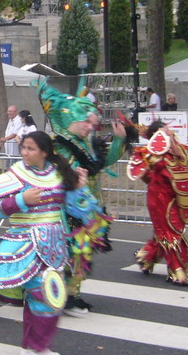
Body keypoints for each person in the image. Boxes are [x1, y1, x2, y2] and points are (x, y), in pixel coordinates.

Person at [0, 131, 94, 355]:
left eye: (31, 148)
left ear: (45, 152)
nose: (25, 152)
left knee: (38, 295)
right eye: (24, 147)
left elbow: (75, 209)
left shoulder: (58, 173)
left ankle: (30, 345)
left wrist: (79, 188)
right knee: (45, 295)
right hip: (26, 243)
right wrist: (22, 199)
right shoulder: (14, 175)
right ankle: (39, 348)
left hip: (56, 243)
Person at [37, 79, 125, 316]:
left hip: (88, 208)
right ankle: (62, 295)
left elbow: (101, 164)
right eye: (86, 122)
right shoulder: (58, 146)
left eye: (93, 123)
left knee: (82, 253)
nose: (90, 127)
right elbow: (48, 180)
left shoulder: (86, 144)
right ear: (71, 120)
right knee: (67, 253)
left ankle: (69, 294)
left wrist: (118, 140)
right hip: (66, 213)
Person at [129, 120, 188, 285]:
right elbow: (150, 174)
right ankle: (177, 270)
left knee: (167, 233)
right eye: (166, 130)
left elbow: (184, 170)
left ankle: (146, 256)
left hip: (177, 197)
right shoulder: (151, 155)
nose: (170, 132)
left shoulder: (177, 151)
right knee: (171, 234)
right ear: (157, 134)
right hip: (160, 199)